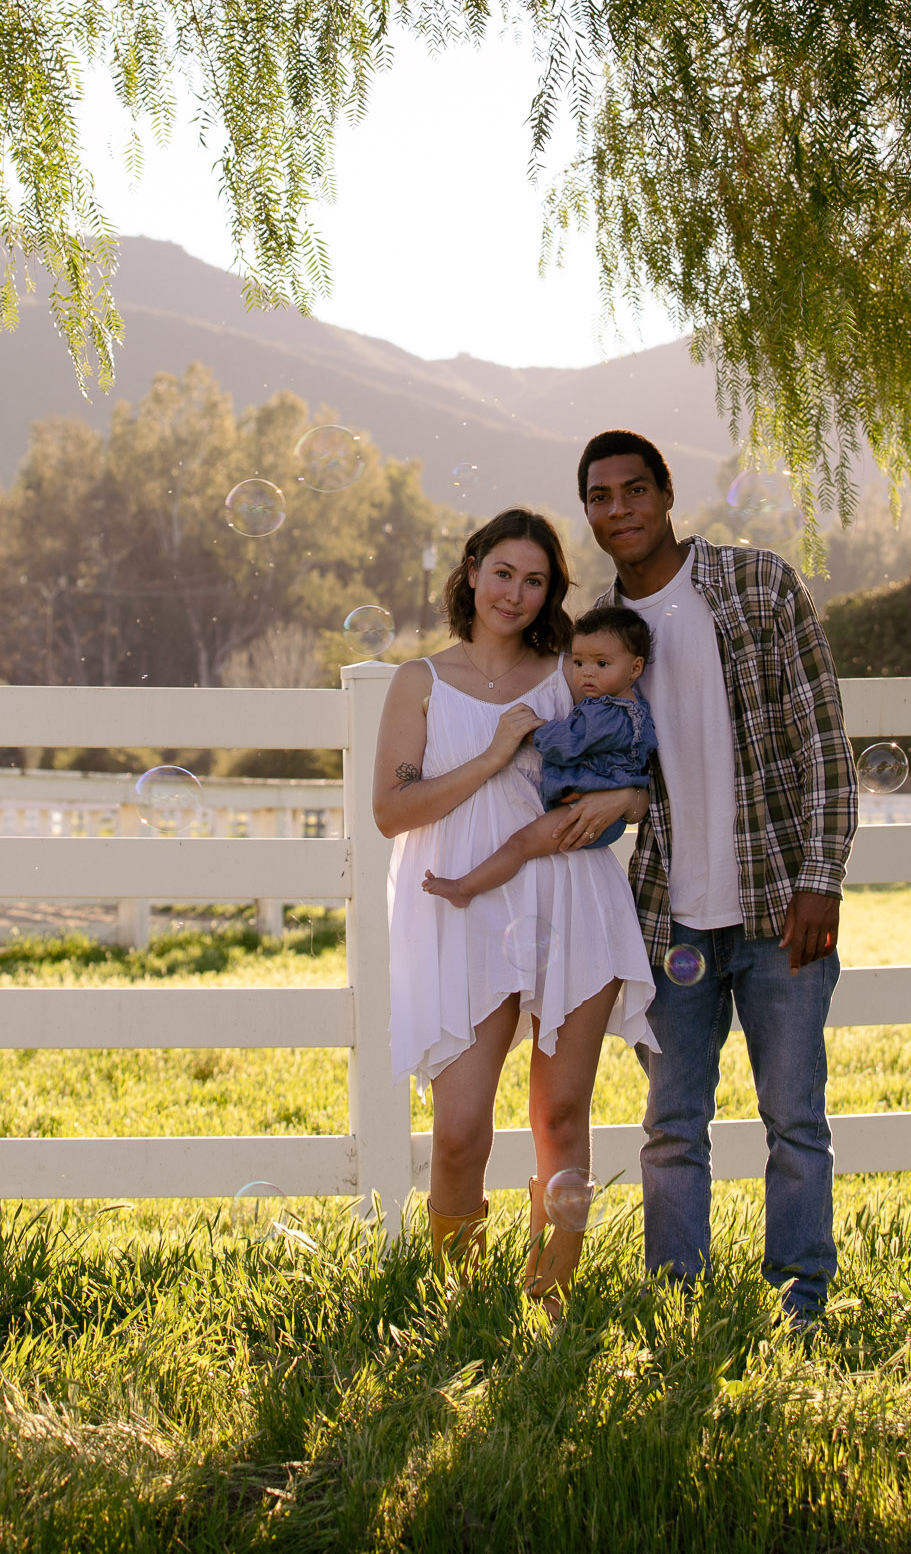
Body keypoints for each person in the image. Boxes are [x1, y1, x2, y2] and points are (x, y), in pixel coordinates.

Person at [579, 429, 857, 1324]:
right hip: (667, 918)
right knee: (671, 1127)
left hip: (780, 906)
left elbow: (822, 741)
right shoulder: (597, 636)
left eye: (632, 490)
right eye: (598, 496)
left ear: (666, 495)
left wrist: (823, 876)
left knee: (794, 1118)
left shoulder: (757, 586)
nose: (616, 509)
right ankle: (676, 1302)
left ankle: (800, 1300)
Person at [375, 509, 657, 1313]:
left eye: (536, 581)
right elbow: (393, 813)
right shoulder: (418, 682)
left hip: (568, 894)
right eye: (503, 573)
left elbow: (638, 765)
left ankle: (550, 1304)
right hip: (461, 903)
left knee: (561, 1115)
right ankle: (457, 1304)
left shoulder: (571, 673)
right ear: (471, 570)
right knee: (460, 1130)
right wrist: (496, 754)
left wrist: (629, 796)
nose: (517, 593)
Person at [422, 606, 657, 905]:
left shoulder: (609, 715)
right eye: (580, 661)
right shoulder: (625, 709)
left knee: (519, 845)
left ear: (635, 669)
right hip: (589, 807)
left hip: (586, 813)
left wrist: (534, 729)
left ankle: (464, 889)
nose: (587, 672)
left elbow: (568, 742)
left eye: (601, 663)